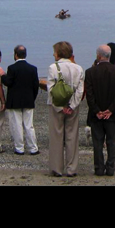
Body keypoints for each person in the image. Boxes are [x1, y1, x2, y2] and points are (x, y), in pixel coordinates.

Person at [85, 45, 115, 176]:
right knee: (112, 142)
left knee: (97, 143)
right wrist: (111, 110)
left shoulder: (90, 72)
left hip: (96, 114)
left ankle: (99, 168)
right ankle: (110, 167)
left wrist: (97, 110)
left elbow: (89, 95)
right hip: (112, 114)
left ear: (98, 56)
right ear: (109, 56)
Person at [47, 41, 84, 177]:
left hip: (56, 107)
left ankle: (57, 168)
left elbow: (51, 90)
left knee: (56, 136)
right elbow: (80, 91)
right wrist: (71, 105)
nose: (53, 54)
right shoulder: (78, 68)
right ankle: (71, 168)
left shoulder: (53, 68)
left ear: (58, 53)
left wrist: (60, 107)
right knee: (72, 136)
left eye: (54, 52)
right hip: (72, 107)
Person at [0, 45, 40, 155]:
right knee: (29, 125)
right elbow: (36, 86)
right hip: (28, 100)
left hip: (15, 101)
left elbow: (8, 82)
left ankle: (19, 148)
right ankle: (33, 148)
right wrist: (32, 97)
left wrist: (2, 75)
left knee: (17, 125)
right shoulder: (33, 69)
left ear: (16, 55)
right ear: (25, 54)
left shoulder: (12, 68)